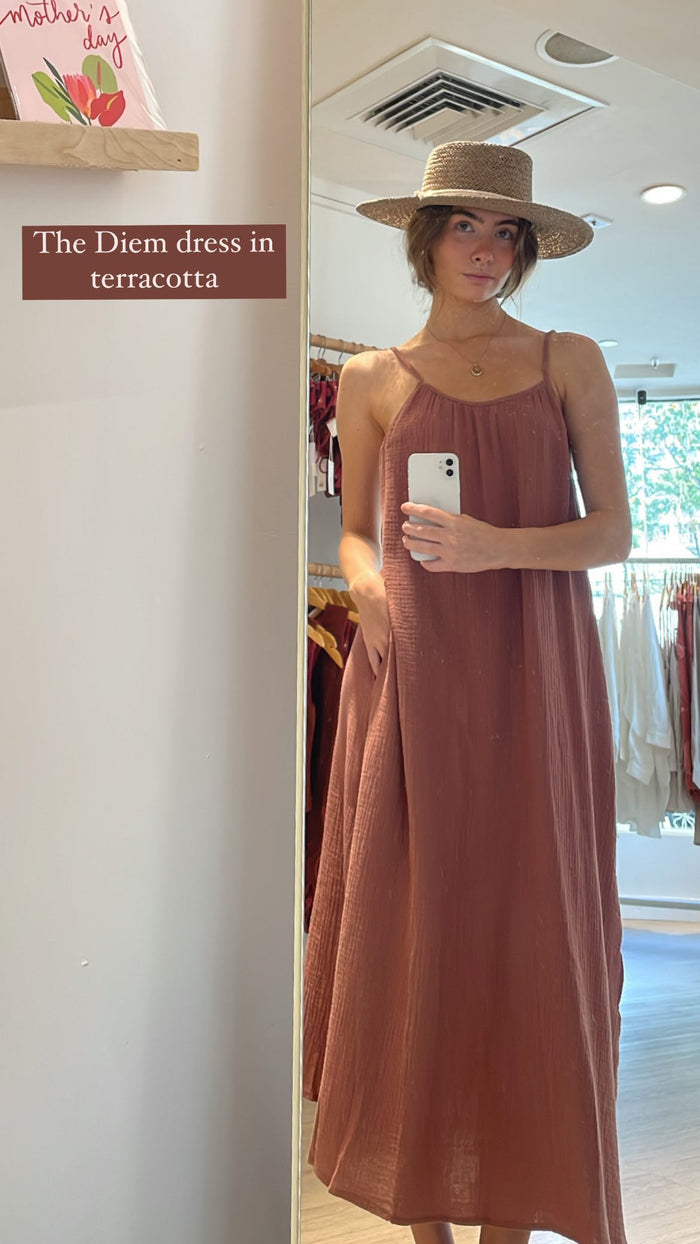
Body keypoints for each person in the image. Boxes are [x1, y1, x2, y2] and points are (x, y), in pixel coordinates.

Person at [303, 141, 632, 1244]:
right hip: (414, 668)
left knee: (532, 923)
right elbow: (355, 532)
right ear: (426, 238)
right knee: (418, 922)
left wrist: (497, 544)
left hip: (538, 668)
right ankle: (426, 1221)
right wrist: (367, 592)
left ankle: (512, 1216)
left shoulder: (567, 359)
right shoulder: (371, 377)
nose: (487, 250)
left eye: (506, 233)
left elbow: (613, 533)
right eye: (464, 226)